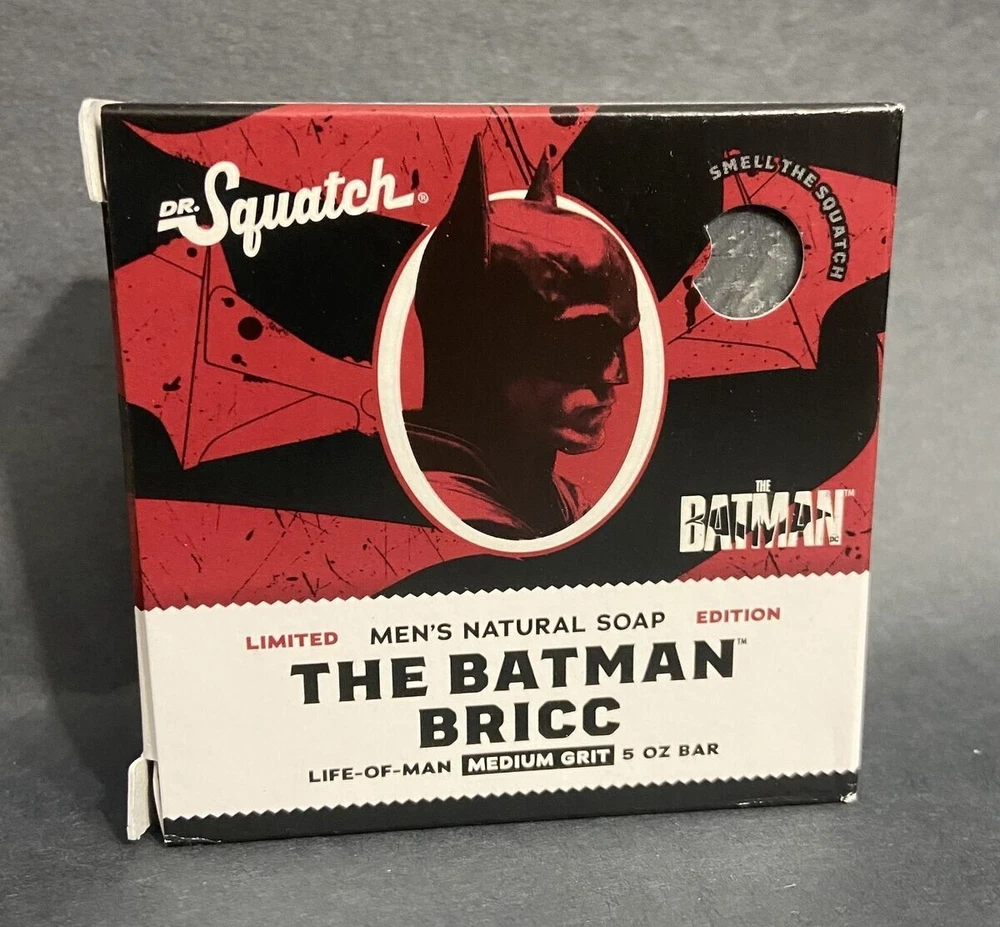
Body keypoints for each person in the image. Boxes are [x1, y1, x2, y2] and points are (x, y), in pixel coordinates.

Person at [404, 137, 640, 540]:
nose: (615, 378)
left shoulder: (558, 503)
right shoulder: (458, 508)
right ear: (480, 344)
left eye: (615, 342)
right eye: (581, 344)